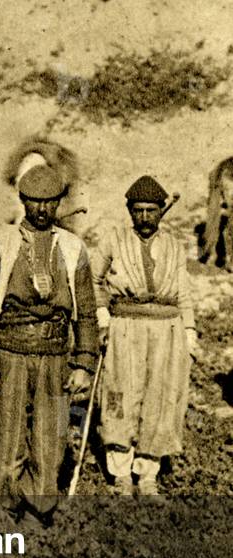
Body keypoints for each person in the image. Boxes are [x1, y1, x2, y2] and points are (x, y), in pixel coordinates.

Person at [0, 165, 97, 528]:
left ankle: (39, 507)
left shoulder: (74, 249)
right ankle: (1, 504)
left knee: (50, 436)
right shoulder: (2, 242)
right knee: (5, 433)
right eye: (34, 202)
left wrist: (83, 364)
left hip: (55, 354)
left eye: (49, 203)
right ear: (23, 200)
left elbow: (86, 313)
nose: (42, 210)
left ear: (59, 203)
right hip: (10, 350)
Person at [91, 176, 196, 498]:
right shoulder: (114, 240)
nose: (145, 217)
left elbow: (184, 293)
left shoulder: (174, 246)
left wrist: (190, 330)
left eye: (152, 210)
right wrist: (102, 315)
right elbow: (93, 280)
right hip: (126, 326)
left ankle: (147, 472)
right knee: (121, 393)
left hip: (168, 329)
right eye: (139, 210)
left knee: (160, 398)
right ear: (129, 211)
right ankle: (121, 472)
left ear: (161, 210)